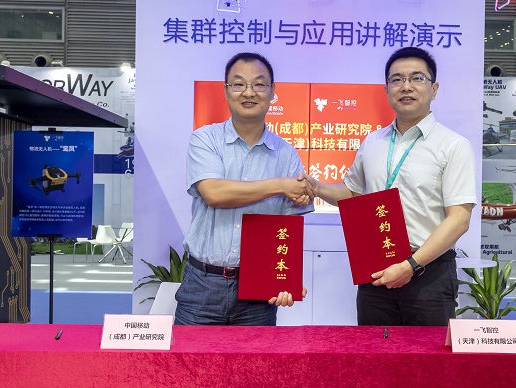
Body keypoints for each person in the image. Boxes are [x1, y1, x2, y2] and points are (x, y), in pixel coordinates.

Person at [306, 47, 477, 326]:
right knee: (375, 351)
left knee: (428, 353)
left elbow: (459, 219)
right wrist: (317, 187)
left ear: (434, 89)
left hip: (428, 274)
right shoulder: (373, 142)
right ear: (386, 90)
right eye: (397, 79)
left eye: (417, 78)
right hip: (376, 271)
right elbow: (352, 194)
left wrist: (410, 265)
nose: (406, 87)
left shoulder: (453, 145)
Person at [175, 52, 315, 326]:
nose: (249, 92)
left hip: (258, 292)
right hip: (202, 286)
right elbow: (214, 193)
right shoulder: (205, 139)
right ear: (226, 91)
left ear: (272, 91)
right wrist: (279, 185)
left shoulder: (286, 154)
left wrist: (285, 278)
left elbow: (287, 227)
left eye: (259, 84)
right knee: (191, 356)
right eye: (238, 84)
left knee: (256, 357)